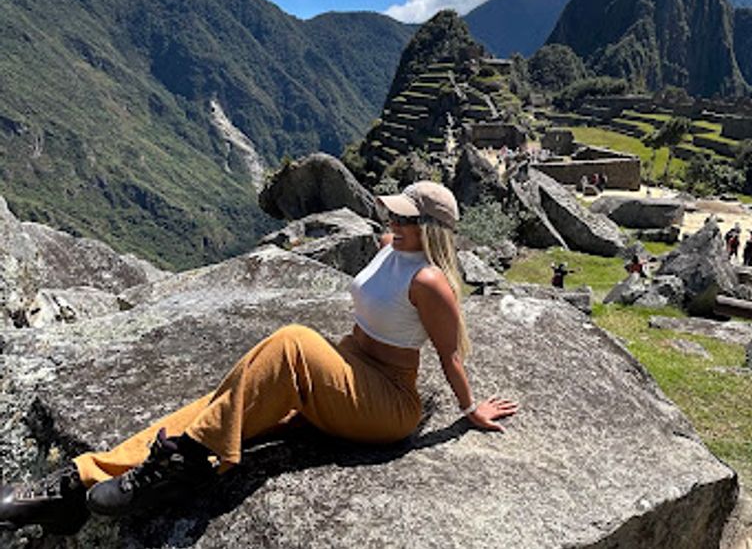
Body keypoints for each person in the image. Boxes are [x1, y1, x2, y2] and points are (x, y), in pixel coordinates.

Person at [0, 181, 518, 535]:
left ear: (430, 228)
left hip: (386, 402)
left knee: (291, 343)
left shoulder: (431, 280)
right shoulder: (390, 246)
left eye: (405, 217)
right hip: (351, 372)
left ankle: (195, 461)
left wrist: (470, 411)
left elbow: (450, 356)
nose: (391, 219)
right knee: (222, 401)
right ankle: (76, 483)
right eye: (393, 212)